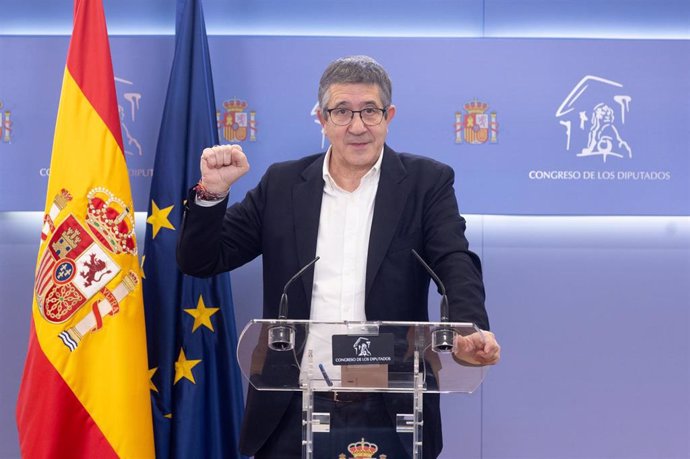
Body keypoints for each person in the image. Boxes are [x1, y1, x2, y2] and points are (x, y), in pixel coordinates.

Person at [177, 55, 500, 459]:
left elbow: (454, 259)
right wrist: (212, 194)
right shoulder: (282, 184)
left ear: (389, 115)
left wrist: (469, 327)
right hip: (292, 403)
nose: (358, 125)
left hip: (391, 404)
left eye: (370, 111)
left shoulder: (425, 183)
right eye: (342, 112)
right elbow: (201, 260)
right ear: (322, 119)